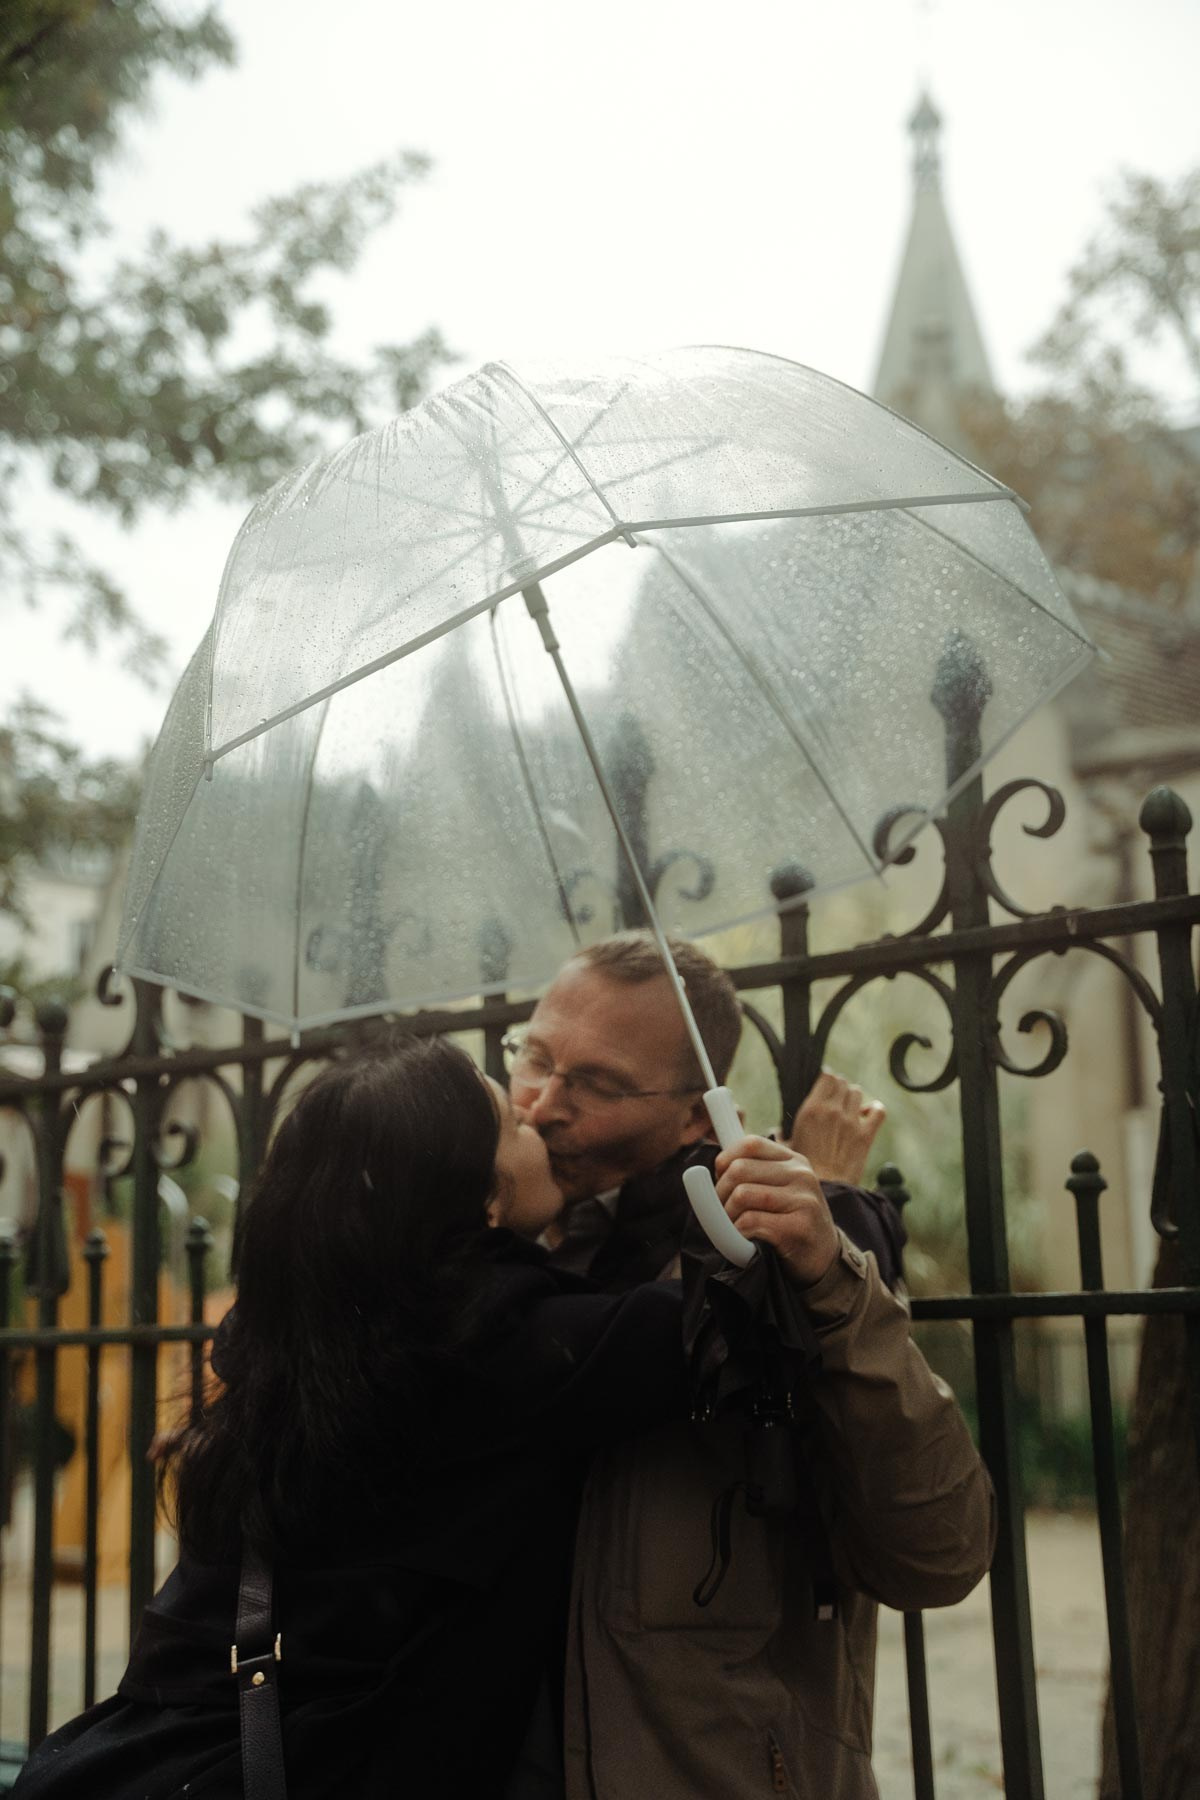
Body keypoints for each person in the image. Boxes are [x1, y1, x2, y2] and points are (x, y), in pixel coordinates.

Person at [13, 1034, 835, 1800]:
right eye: (514, 1124)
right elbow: (733, 1315)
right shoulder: (504, 1345)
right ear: (481, 1200)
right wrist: (826, 1193)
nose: (538, 1116)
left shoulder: (290, 1329)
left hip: (154, 1752)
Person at [507, 932, 996, 1800]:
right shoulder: (502, 1258)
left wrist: (830, 1276)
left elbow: (940, 1553)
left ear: (699, 1117)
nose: (544, 1105)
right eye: (535, 1058)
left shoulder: (783, 1264)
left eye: (599, 1084)